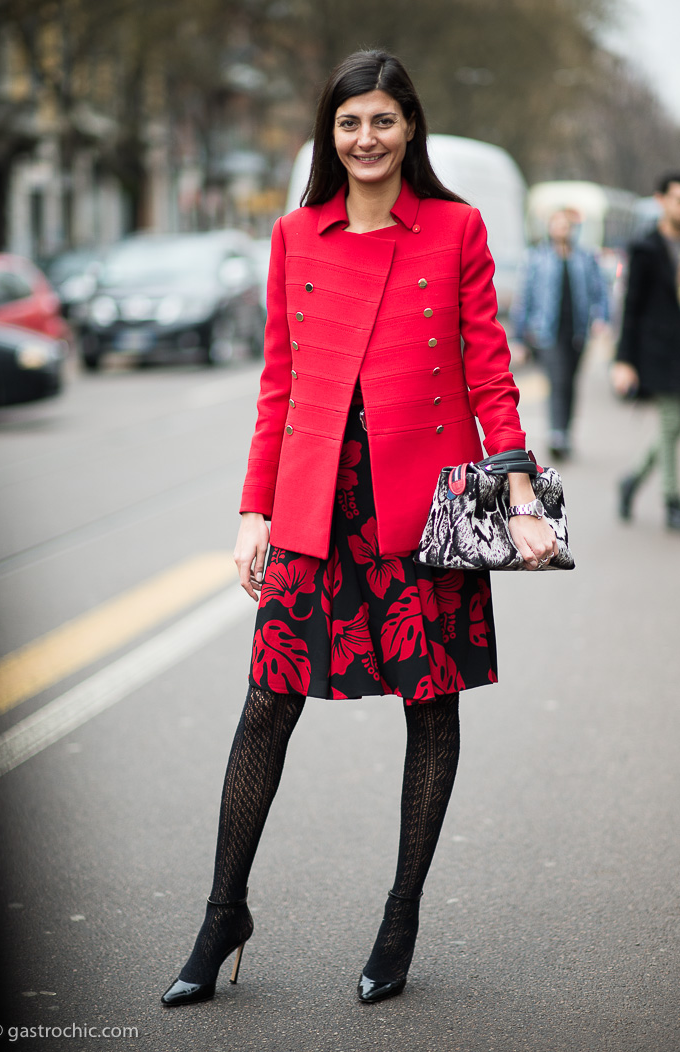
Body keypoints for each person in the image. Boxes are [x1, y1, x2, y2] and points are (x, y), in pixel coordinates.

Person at [160, 49, 558, 1009]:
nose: (366, 139)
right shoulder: (297, 234)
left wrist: (521, 495)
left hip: (426, 507)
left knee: (432, 703)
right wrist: (255, 508)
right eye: (349, 123)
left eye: (382, 120)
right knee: (267, 702)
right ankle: (223, 913)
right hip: (317, 506)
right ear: (327, 135)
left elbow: (489, 372)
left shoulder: (457, 228)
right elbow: (279, 384)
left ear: (408, 128)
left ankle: (402, 913)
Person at [511, 209, 609, 458]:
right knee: (558, 379)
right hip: (546, 333)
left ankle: (565, 431)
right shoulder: (537, 257)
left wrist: (601, 318)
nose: (562, 230)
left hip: (576, 331)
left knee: (570, 382)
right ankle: (557, 434)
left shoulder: (585, 258)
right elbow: (525, 297)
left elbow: (600, 291)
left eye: (566, 225)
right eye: (557, 225)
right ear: (549, 228)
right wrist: (520, 336)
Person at [612, 172, 680, 531]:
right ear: (661, 200)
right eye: (677, 199)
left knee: (671, 428)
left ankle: (631, 481)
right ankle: (672, 501)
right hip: (659, 353)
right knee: (670, 422)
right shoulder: (646, 247)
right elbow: (631, 308)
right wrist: (624, 359)